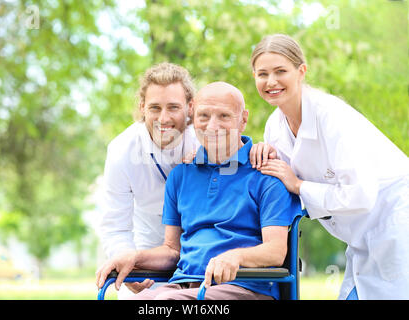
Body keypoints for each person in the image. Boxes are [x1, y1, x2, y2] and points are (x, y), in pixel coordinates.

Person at [95, 81, 302, 300]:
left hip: (243, 288)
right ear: (193, 117)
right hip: (183, 286)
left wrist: (235, 257)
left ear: (243, 119)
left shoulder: (267, 174)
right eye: (204, 116)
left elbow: (276, 251)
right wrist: (134, 257)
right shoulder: (180, 176)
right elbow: (172, 251)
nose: (212, 127)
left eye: (224, 116)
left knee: (165, 302)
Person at [249, 34, 409, 299]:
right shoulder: (273, 127)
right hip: (361, 238)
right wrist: (261, 152)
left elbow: (360, 194)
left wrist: (299, 185)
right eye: (262, 74)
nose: (271, 82)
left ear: (301, 71)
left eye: (281, 71)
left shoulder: (330, 116)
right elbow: (280, 185)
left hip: (395, 222)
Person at [96, 62, 199, 297]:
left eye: (173, 107)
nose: (164, 118)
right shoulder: (122, 149)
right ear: (142, 107)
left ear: (190, 107)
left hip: (200, 252)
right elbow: (115, 225)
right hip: (147, 255)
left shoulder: (204, 141)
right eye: (155, 108)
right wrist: (127, 261)